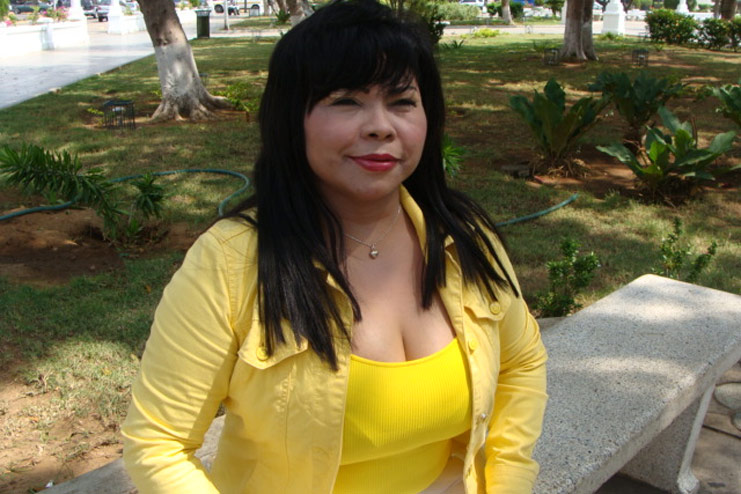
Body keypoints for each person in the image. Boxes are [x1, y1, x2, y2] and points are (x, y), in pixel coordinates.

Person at [122, 1, 548, 493]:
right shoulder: (230, 262)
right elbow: (158, 444)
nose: (381, 126)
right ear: (291, 119)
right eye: (346, 100)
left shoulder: (463, 236)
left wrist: (508, 481)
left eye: (402, 102)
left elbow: (521, 361)